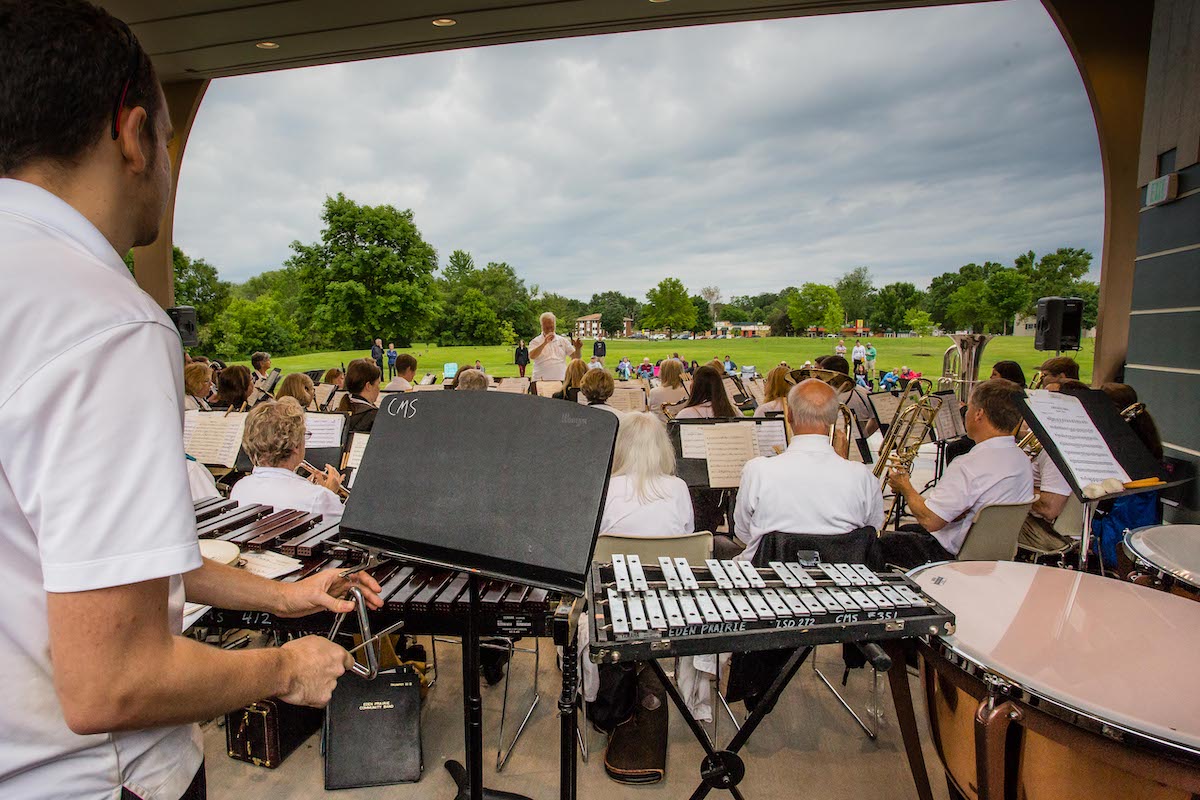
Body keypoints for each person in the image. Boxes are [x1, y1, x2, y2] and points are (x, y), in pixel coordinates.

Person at [0, 6, 377, 796]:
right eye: (168, 143)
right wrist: (284, 667)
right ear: (132, 134)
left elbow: (86, 564)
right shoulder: (103, 319)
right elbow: (113, 681)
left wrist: (284, 594)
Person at [880, 379, 1034, 569]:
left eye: (968, 408)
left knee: (876, 544)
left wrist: (905, 486)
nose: (965, 414)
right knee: (906, 530)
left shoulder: (968, 465)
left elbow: (930, 520)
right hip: (992, 551)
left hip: (953, 555)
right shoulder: (1022, 459)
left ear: (979, 414)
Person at [735, 380, 884, 561]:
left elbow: (743, 533)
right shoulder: (862, 476)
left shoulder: (757, 470)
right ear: (832, 419)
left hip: (767, 578)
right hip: (842, 582)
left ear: (789, 415)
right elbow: (869, 532)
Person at [231, 398, 346, 521]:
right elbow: (346, 531)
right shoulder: (318, 497)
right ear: (295, 445)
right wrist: (330, 495)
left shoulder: (240, 487)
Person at [600, 412, 694, 536]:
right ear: (663, 447)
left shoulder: (604, 487)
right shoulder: (679, 487)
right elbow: (687, 534)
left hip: (616, 554)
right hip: (669, 554)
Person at [823, 355, 879, 437]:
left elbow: (876, 419)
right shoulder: (864, 393)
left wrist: (863, 437)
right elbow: (876, 420)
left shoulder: (862, 394)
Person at [528, 312, 581, 381]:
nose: (550, 330)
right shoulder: (535, 341)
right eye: (547, 328)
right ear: (542, 326)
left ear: (555, 325)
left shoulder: (563, 340)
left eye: (551, 327)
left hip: (561, 379)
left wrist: (578, 348)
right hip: (541, 380)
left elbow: (575, 357)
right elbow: (532, 356)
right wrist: (544, 343)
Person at [336, 358, 382, 433]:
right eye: (378, 384)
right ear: (368, 386)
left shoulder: (340, 410)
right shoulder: (375, 416)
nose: (379, 389)